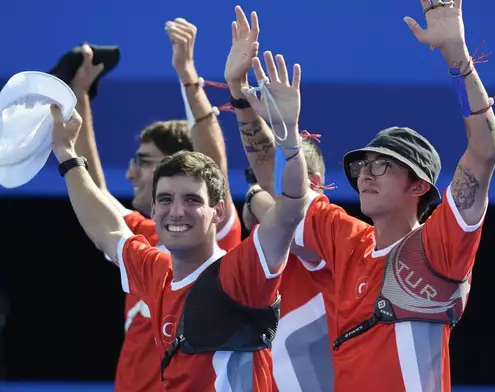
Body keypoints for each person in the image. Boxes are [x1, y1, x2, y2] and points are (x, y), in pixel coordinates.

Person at [240, 0, 495, 390]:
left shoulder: (438, 248)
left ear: (418, 186)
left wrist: (457, 55)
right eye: (362, 165)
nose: (365, 174)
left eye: (382, 165)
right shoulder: (347, 241)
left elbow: (485, 151)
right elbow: (277, 187)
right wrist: (280, 128)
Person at [50, 43, 307, 390]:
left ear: (218, 211)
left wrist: (288, 140)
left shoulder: (243, 273)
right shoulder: (155, 270)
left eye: (191, 200)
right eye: (166, 199)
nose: (177, 211)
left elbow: (291, 209)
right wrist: (66, 153)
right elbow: (104, 227)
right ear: (154, 209)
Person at [67, 19, 241, 391]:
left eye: (144, 162)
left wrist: (188, 75)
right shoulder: (145, 243)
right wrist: (77, 95)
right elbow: (94, 195)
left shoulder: (217, 236)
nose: (130, 175)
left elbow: (213, 164)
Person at [242, 141, 336, 392]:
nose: (260, 185)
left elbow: (289, 227)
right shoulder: (254, 252)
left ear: (313, 183)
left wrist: (254, 198)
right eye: (254, 178)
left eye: (271, 178)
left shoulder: (334, 240)